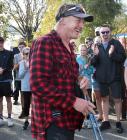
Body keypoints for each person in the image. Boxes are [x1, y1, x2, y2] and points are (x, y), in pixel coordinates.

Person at [29, 3, 95, 140]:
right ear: (63, 19)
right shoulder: (45, 42)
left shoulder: (70, 47)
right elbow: (38, 84)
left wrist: (80, 79)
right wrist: (73, 102)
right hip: (51, 122)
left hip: (67, 121)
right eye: (78, 20)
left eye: (83, 22)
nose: (82, 26)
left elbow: (70, 76)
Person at [91, 24, 126, 133]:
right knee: (104, 99)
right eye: (103, 32)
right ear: (100, 34)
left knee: (117, 99)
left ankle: (118, 122)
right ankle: (106, 121)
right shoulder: (97, 45)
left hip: (114, 77)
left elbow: (122, 58)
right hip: (102, 78)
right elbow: (93, 63)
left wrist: (112, 54)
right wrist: (95, 55)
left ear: (110, 32)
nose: (105, 34)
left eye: (107, 32)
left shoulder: (116, 44)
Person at [76, 44, 94, 129]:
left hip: (88, 82)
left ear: (86, 51)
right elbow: (76, 71)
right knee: (82, 100)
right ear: (79, 51)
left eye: (84, 50)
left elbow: (92, 70)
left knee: (88, 99)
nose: (83, 51)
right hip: (80, 82)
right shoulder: (77, 59)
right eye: (81, 50)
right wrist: (81, 68)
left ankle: (89, 119)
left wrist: (88, 67)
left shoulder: (88, 59)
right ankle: (83, 120)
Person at [0, 37, 14, 127]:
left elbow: (11, 66)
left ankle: (9, 118)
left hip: (7, 79)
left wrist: (3, 69)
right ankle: (1, 117)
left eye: (1, 42)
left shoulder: (9, 53)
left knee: (8, 99)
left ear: (3, 43)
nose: (0, 44)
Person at [18, 47, 31, 130]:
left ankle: (37, 120)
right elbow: (20, 76)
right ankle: (26, 121)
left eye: (30, 53)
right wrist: (26, 69)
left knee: (35, 104)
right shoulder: (22, 63)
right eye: (26, 54)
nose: (28, 55)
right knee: (26, 105)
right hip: (26, 87)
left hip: (35, 87)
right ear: (23, 55)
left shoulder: (35, 62)